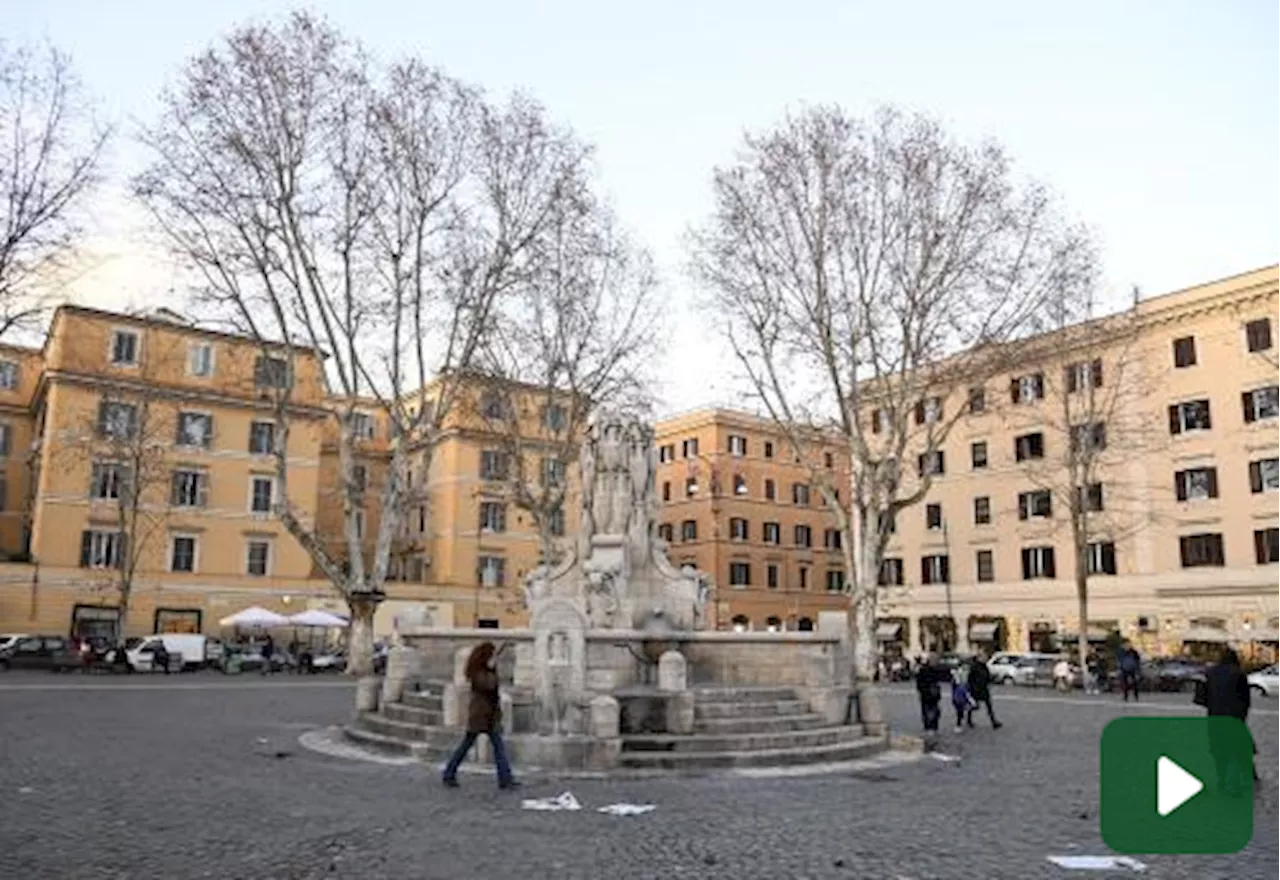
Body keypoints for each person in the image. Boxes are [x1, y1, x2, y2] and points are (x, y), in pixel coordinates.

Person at [442, 642, 519, 790]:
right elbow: (489, 685)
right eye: (491, 656)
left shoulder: (484, 670)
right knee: (465, 746)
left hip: (489, 716)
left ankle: (505, 779)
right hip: (480, 716)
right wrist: (492, 668)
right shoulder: (478, 672)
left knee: (498, 747)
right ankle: (449, 773)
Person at [1195, 648, 1258, 792]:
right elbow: (1246, 700)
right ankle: (1234, 784)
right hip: (1234, 717)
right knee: (1235, 750)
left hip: (1215, 717)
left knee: (1219, 751)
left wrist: (1214, 704)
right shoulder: (1239, 674)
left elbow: (1201, 698)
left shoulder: (1210, 673)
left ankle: (1222, 780)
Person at [915, 653, 946, 749]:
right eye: (934, 660)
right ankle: (929, 729)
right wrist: (925, 691)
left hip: (934, 695)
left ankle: (933, 728)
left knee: (936, 712)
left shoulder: (936, 669)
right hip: (926, 695)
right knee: (927, 712)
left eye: (936, 660)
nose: (936, 662)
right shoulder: (924, 670)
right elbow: (919, 683)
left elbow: (942, 678)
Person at [967, 652, 1003, 729]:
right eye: (984, 657)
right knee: (973, 706)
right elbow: (970, 679)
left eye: (986, 657)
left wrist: (993, 679)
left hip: (984, 689)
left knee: (989, 706)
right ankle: (968, 720)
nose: (986, 659)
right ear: (979, 658)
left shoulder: (984, 666)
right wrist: (972, 688)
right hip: (976, 690)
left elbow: (987, 677)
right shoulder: (974, 667)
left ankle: (993, 722)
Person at [950, 666, 976, 733]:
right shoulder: (959, 676)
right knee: (960, 710)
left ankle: (961, 723)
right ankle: (959, 724)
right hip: (960, 696)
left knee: (961, 710)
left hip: (961, 696)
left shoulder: (958, 675)